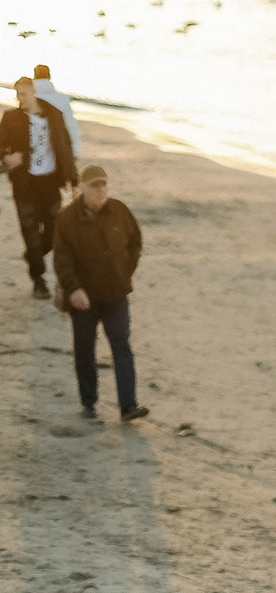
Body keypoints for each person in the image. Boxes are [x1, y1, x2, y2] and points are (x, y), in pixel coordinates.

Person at [52, 162, 147, 422]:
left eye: (104, 184)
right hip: (84, 299)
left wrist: (125, 271)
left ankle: (128, 406)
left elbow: (135, 242)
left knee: (122, 347)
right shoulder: (66, 218)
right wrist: (73, 289)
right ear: (82, 187)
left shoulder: (119, 210)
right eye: (95, 185)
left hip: (116, 295)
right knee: (84, 350)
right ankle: (89, 403)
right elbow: (62, 258)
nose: (101, 190)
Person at [3, 75, 78, 298]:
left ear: (34, 92)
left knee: (55, 233)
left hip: (50, 183)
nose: (20, 99)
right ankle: (39, 280)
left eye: (23, 94)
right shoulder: (10, 118)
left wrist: (74, 181)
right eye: (17, 94)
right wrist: (5, 159)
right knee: (31, 234)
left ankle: (33, 256)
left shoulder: (54, 115)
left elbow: (66, 148)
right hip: (24, 186)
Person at [30, 66, 83, 166]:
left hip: (32, 149)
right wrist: (75, 152)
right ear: (49, 76)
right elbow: (71, 126)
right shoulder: (62, 99)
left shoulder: (28, 96)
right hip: (57, 149)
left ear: (34, 76)